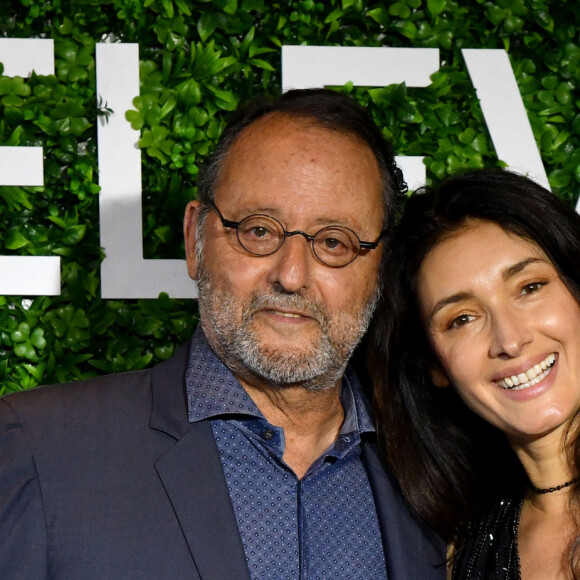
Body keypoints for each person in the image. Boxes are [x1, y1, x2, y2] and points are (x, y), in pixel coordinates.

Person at [0, 88, 444, 579]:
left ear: (381, 270)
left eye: (334, 242)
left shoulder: (435, 468)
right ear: (196, 239)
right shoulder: (42, 448)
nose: (292, 275)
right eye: (258, 230)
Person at [369, 167, 580, 579]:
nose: (510, 340)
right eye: (462, 319)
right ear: (434, 367)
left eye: (530, 287)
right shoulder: (457, 553)